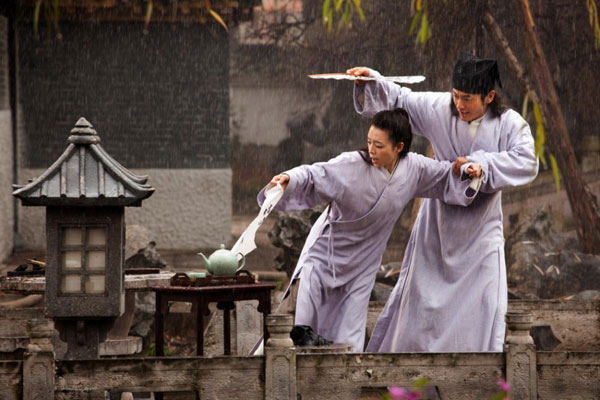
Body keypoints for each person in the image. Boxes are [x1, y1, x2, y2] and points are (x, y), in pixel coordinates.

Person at [347, 52, 539, 352]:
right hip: (437, 222)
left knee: (486, 301)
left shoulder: (509, 123)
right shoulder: (440, 108)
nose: (459, 104)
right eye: (456, 95)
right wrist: (370, 80)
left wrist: (484, 166)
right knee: (423, 301)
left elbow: (527, 161)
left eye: (468, 98)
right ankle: (414, 382)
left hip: (482, 228)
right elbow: (401, 99)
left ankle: (476, 380)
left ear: (489, 96)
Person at [259, 108, 483, 352]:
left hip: (363, 264)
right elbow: (315, 174)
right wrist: (289, 178)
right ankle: (278, 375)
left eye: (379, 146)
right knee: (300, 320)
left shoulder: (414, 169)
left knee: (349, 335)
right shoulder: (351, 164)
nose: (372, 151)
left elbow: (443, 176)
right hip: (325, 255)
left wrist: (464, 170)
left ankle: (339, 388)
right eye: (369, 143)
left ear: (398, 147)